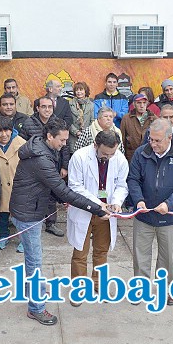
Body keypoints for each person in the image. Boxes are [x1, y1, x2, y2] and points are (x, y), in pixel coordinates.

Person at [9, 118, 109, 325]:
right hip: (28, 214)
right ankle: (36, 308)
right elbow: (61, 189)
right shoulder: (41, 158)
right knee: (35, 261)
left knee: (32, 259)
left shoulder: (43, 148)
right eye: (62, 140)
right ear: (49, 136)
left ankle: (34, 293)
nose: (65, 143)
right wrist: (96, 209)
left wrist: (59, 199)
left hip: (32, 207)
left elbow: (46, 186)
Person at [127, 118, 173, 306]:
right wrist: (138, 200)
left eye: (157, 140)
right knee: (141, 255)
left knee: (167, 258)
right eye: (151, 139)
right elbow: (133, 179)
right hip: (144, 216)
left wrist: (169, 204)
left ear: (169, 137)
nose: (153, 144)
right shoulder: (141, 153)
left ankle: (167, 291)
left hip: (170, 217)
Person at [67, 130, 128, 306]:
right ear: (95, 145)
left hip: (107, 214)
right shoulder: (79, 157)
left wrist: (116, 202)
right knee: (80, 252)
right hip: (84, 210)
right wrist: (97, 204)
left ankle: (98, 284)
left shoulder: (119, 158)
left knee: (101, 251)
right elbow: (75, 186)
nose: (108, 157)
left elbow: (122, 185)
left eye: (112, 153)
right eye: (104, 153)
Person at [20, 96, 69, 237]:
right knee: (35, 194)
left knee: (52, 195)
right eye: (44, 106)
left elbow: (65, 147)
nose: (47, 109)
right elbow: (22, 145)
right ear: (37, 108)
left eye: (50, 107)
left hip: (55, 164)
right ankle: (35, 222)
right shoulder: (28, 123)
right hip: (34, 167)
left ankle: (51, 223)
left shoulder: (59, 123)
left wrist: (64, 166)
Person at [0, 116, 26, 253]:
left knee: (20, 216)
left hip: (18, 187)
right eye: (0, 131)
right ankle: (3, 236)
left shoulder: (22, 143)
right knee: (1, 215)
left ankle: (23, 240)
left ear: (12, 130)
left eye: (7, 131)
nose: (4, 135)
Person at [120, 94, 157, 161]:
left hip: (149, 155)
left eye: (144, 103)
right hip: (131, 155)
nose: (142, 106)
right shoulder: (126, 118)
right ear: (134, 104)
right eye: (139, 103)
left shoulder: (153, 118)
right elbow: (122, 138)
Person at [68, 81, 94, 153]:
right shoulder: (70, 104)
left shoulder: (91, 105)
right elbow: (68, 120)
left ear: (85, 91)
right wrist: (76, 132)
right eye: (77, 90)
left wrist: (85, 132)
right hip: (73, 137)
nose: (79, 92)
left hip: (87, 137)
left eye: (81, 90)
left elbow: (92, 120)